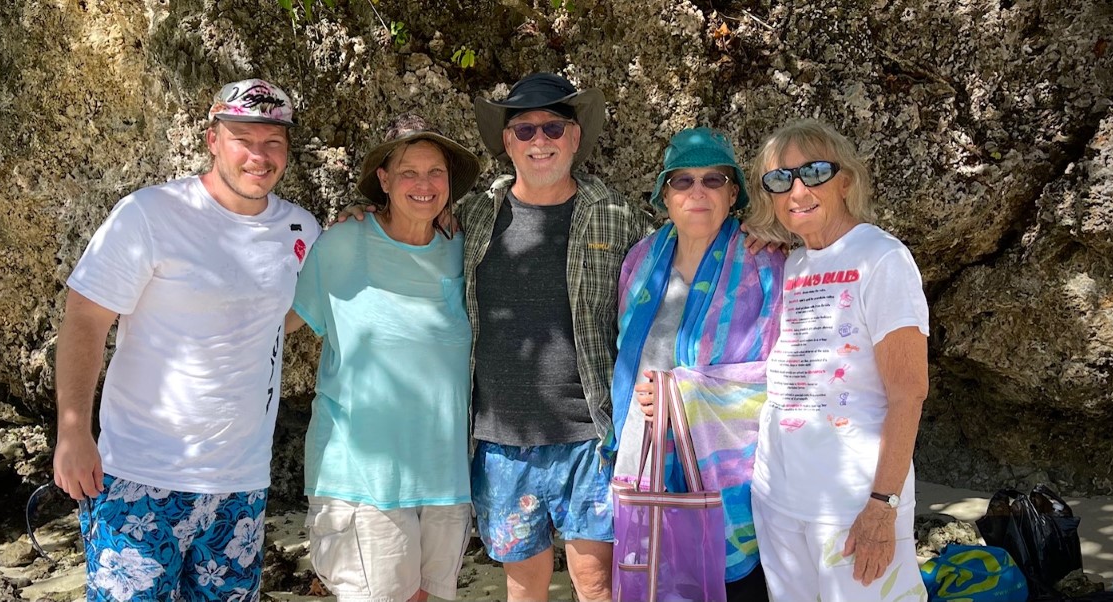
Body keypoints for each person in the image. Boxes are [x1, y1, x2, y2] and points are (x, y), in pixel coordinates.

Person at [53, 79, 320, 601]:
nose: (259, 155)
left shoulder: (301, 229)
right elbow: (85, 319)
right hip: (138, 477)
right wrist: (72, 432)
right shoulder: (149, 214)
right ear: (213, 140)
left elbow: (288, 316)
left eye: (273, 142)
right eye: (243, 139)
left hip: (241, 484)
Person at [460, 72, 654, 602]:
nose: (539, 140)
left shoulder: (616, 215)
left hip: (591, 437)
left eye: (553, 127)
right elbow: (409, 231)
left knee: (597, 584)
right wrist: (363, 213)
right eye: (524, 130)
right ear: (507, 142)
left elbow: (673, 271)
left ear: (574, 137)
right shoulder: (474, 214)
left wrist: (751, 234)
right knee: (523, 587)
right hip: (501, 439)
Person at [288, 114, 480, 602]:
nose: (424, 184)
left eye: (435, 172)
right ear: (384, 180)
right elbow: (278, 322)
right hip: (362, 476)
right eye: (408, 172)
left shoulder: (463, 247)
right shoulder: (342, 243)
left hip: (445, 475)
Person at [746, 119, 930, 601]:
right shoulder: (790, 263)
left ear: (845, 180)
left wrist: (882, 505)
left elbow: (909, 392)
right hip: (778, 498)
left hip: (853, 504)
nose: (797, 190)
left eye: (815, 172)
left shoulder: (882, 258)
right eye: (780, 179)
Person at [608, 128, 783, 601]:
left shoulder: (766, 261)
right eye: (682, 181)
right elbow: (625, 354)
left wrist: (680, 393)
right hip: (645, 457)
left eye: (713, 179)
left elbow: (783, 372)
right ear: (664, 195)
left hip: (733, 471)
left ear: (733, 193)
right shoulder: (641, 260)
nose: (697, 192)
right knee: (660, 582)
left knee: (739, 588)